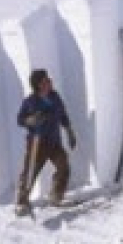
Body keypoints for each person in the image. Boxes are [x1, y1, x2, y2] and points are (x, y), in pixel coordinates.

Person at [16, 68, 77, 212]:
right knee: (30, 172)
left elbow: (63, 115)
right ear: (38, 85)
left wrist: (69, 132)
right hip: (37, 143)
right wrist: (30, 120)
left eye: (48, 79)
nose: (49, 82)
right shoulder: (30, 102)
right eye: (45, 80)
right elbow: (20, 119)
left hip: (54, 141)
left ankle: (55, 195)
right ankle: (22, 202)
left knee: (64, 167)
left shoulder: (55, 97)